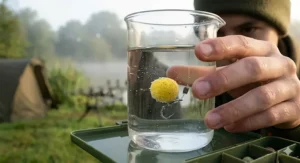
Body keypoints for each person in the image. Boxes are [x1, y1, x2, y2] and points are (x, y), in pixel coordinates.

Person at [175, 0, 300, 141]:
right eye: (217, 33)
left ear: (279, 31)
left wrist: (295, 126)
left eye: (247, 30)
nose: (230, 52)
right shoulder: (198, 90)